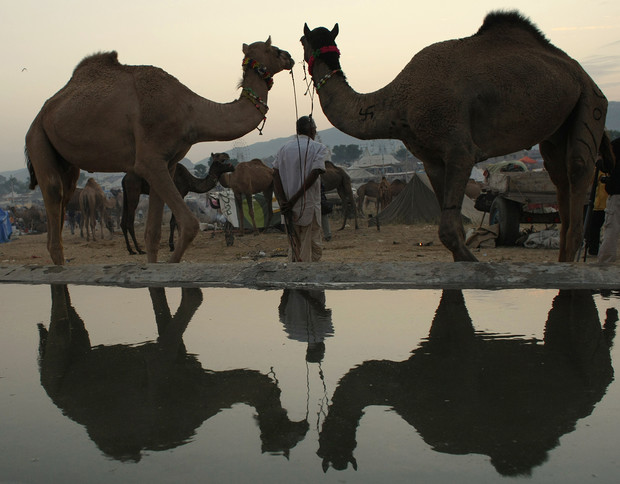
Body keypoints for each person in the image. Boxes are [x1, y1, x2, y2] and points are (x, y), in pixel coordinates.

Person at [273, 116, 328, 262]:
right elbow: (316, 172)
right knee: (310, 247)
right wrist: (293, 200)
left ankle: (294, 279)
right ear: (311, 130)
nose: (315, 131)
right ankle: (305, 280)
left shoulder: (283, 149)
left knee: (294, 246)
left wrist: (284, 201)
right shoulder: (318, 148)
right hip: (308, 206)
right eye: (315, 129)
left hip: (288, 209)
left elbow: (275, 174)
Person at [597, 137, 620, 263]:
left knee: (612, 229)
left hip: (617, 193)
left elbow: (607, 166)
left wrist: (599, 161)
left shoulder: (616, 145)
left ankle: (606, 262)